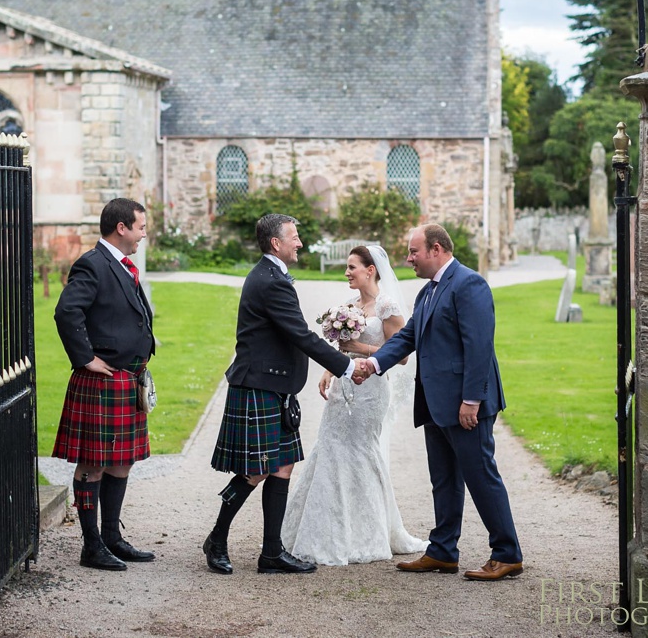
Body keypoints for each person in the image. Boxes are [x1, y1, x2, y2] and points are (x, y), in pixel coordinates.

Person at [354, 223, 523, 581]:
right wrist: (373, 363)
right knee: (443, 479)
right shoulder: (427, 292)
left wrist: (472, 400)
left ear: (436, 249)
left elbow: (479, 347)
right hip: (434, 403)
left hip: (465, 405)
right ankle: (443, 551)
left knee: (481, 476)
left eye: (414, 252)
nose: (408, 258)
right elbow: (408, 337)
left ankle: (507, 553)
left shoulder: (469, 284)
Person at [204, 213, 356, 576]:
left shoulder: (271, 275)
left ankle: (272, 552)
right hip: (259, 384)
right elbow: (300, 334)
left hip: (273, 384)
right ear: (276, 243)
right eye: (294, 237)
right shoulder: (270, 280)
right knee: (255, 472)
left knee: (282, 465)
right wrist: (346, 366)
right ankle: (217, 539)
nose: (299, 242)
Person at [281, 244, 428, 565]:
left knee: (361, 450)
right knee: (330, 446)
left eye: (352, 267)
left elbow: (401, 356)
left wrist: (358, 346)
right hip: (343, 386)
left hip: (371, 390)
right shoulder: (349, 305)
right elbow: (340, 350)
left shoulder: (388, 306)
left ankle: (367, 531)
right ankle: (323, 529)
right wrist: (327, 370)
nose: (346, 273)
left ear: (370, 270)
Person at [52, 197, 156, 572]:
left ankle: (112, 537)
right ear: (122, 228)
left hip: (128, 379)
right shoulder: (94, 264)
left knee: (122, 461)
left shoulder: (123, 265)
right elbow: (67, 311)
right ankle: (91, 545)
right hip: (104, 380)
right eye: (141, 227)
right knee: (93, 463)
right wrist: (84, 357)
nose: (144, 233)